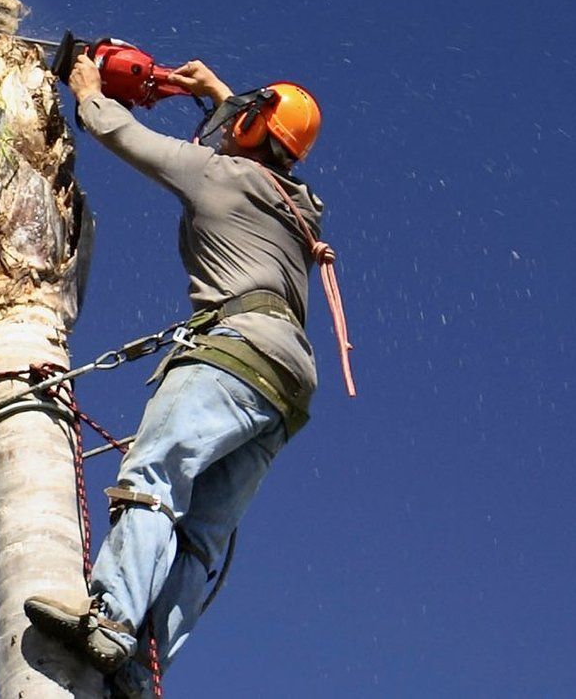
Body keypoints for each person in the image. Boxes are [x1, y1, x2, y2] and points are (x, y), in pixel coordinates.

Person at [24, 49, 342, 694]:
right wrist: (221, 94)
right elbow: (266, 147)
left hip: (234, 353)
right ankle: (142, 674)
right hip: (289, 384)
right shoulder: (300, 206)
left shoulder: (218, 175)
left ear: (249, 127)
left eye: (240, 118)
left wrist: (88, 88)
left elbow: (121, 133)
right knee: (201, 537)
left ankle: (112, 618)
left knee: (154, 474)